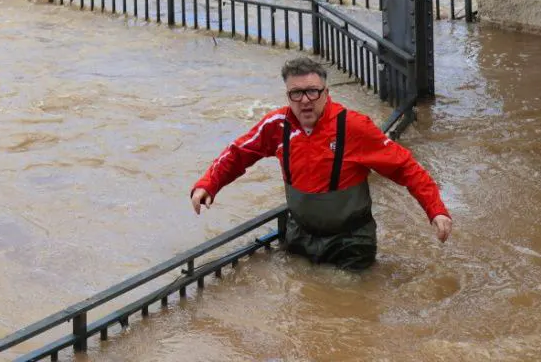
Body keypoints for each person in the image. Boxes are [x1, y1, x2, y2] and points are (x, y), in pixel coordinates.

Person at [189, 57, 452, 271]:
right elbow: (239, 153)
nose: (305, 100)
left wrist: (436, 210)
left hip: (350, 241)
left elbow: (405, 167)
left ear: (326, 93)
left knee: (346, 301)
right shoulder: (276, 126)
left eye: (312, 92)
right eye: (296, 93)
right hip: (300, 234)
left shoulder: (353, 127)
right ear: (288, 96)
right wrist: (208, 184)